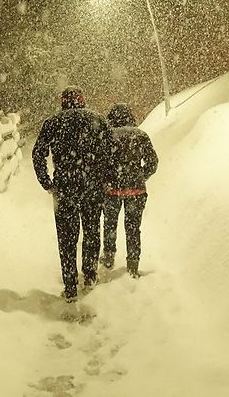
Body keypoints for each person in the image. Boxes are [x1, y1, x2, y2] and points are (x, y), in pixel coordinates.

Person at [32, 86, 111, 301]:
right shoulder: (97, 119)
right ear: (82, 100)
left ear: (63, 101)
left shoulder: (53, 122)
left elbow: (38, 153)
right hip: (92, 186)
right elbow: (110, 151)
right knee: (92, 231)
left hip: (65, 188)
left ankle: (70, 286)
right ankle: (90, 275)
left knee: (66, 238)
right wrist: (106, 179)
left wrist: (47, 183)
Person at [101, 103, 158, 278]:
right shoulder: (140, 135)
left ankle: (109, 257)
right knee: (133, 228)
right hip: (136, 190)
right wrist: (141, 177)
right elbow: (152, 162)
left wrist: (106, 180)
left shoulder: (107, 136)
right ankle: (133, 264)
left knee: (110, 225)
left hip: (112, 190)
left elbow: (99, 163)